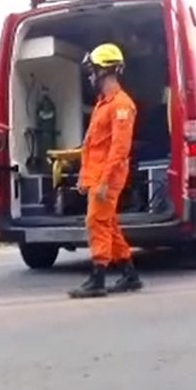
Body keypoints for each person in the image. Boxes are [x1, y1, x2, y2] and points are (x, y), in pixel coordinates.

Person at [69, 43, 143, 299]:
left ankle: (98, 277)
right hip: (96, 174)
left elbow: (118, 150)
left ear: (105, 71)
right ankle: (130, 274)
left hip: (108, 177)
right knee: (108, 224)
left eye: (94, 70)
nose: (91, 75)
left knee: (96, 221)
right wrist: (84, 175)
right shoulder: (103, 104)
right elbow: (92, 144)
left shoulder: (122, 105)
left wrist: (103, 182)